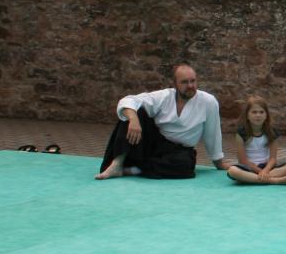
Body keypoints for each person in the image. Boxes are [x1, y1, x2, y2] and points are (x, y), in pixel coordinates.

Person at [96, 64, 227, 179]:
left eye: (193, 81)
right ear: (175, 84)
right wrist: (133, 119)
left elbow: (213, 133)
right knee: (135, 111)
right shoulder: (164, 96)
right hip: (155, 143)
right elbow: (129, 100)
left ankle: (132, 169)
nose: (190, 86)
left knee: (185, 165)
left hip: (179, 152)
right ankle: (117, 163)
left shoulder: (208, 102)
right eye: (185, 82)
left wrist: (219, 162)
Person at [226, 95, 286, 185]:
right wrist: (260, 171)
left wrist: (265, 170)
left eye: (261, 112)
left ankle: (252, 179)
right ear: (247, 115)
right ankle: (273, 180)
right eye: (254, 112)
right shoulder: (241, 133)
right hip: (248, 168)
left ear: (266, 115)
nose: (258, 115)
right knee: (233, 171)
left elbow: (273, 158)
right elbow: (242, 160)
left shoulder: (271, 132)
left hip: (267, 167)